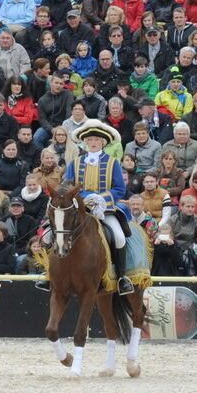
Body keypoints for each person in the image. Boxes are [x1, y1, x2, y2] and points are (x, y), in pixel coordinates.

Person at [62, 119, 134, 295]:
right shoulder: (75, 163)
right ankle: (51, 274)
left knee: (118, 237)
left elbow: (119, 189)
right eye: (90, 140)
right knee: (52, 233)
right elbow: (67, 186)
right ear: (85, 142)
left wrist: (101, 198)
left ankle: (122, 278)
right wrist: (84, 198)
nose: (93, 143)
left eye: (96, 140)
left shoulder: (112, 163)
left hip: (105, 209)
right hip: (78, 208)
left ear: (102, 142)